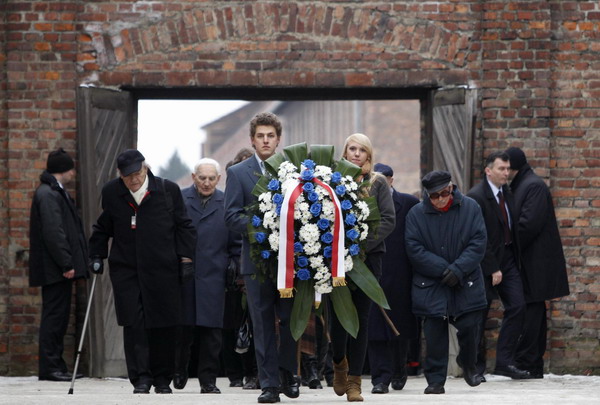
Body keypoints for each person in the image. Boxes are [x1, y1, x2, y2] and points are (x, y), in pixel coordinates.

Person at [88, 149, 196, 394]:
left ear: (145, 168)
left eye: (137, 173)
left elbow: (184, 226)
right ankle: (141, 379)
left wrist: (187, 258)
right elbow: (103, 227)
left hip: (163, 270)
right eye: (128, 177)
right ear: (120, 176)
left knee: (163, 325)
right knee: (134, 325)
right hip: (127, 270)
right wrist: (96, 254)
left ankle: (161, 379)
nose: (134, 180)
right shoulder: (112, 193)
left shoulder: (168, 191)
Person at [224, 112, 299, 404]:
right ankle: (268, 384)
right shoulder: (238, 173)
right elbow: (231, 216)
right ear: (252, 140)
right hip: (256, 262)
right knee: (263, 323)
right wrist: (262, 226)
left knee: (292, 319)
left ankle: (288, 375)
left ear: (278, 139)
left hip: (291, 262)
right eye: (260, 136)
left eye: (270, 136)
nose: (265, 140)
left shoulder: (292, 169)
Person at [405, 170, 487, 394]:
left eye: (445, 193)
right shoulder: (415, 215)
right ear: (427, 195)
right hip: (432, 283)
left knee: (470, 327)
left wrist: (458, 269)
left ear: (452, 187)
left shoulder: (471, 207)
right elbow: (414, 248)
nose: (441, 199)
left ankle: (469, 365)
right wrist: (444, 270)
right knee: (434, 334)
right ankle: (435, 380)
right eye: (435, 195)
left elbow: (478, 242)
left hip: (465, 280)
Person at [330, 134, 396, 402]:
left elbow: (389, 219)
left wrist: (362, 245)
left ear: (369, 155)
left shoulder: (377, 183)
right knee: (337, 320)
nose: (357, 154)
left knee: (361, 320)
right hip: (335, 260)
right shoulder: (332, 180)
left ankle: (355, 382)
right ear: (345, 152)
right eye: (352, 149)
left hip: (368, 261)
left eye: (362, 150)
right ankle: (339, 364)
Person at [173, 158, 242, 393]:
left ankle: (208, 381)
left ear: (218, 179)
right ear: (193, 178)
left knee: (212, 333)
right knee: (184, 329)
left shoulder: (226, 203)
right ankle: (179, 368)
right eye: (202, 178)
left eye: (211, 178)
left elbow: (236, 243)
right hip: (185, 274)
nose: (206, 182)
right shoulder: (180, 200)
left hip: (214, 276)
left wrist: (234, 265)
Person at [505, 147, 570, 378]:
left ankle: (528, 363)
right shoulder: (523, 184)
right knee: (532, 312)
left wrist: (503, 239)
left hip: (535, 264)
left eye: (506, 168)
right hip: (531, 263)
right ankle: (529, 363)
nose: (504, 172)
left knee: (531, 313)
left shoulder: (532, 186)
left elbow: (527, 226)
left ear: (514, 168)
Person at [467, 152, 531, 380]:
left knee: (517, 306)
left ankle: (504, 362)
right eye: (501, 169)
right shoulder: (476, 197)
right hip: (484, 263)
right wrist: (493, 267)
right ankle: (474, 366)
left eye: (507, 169)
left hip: (509, 259)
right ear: (488, 171)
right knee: (478, 314)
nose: (506, 173)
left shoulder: (507, 193)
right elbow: (477, 237)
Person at [28, 148, 88, 382]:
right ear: (64, 169)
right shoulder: (48, 194)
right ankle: (50, 368)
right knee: (54, 318)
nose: (74, 172)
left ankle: (57, 366)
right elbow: (54, 233)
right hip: (55, 269)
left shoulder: (53, 191)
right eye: (71, 168)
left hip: (56, 269)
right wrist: (66, 263)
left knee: (59, 317)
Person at [367, 163, 419, 394]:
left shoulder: (408, 203)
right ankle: (380, 377)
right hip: (373, 271)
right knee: (376, 326)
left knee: (400, 325)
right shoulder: (365, 205)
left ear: (391, 180)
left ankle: (400, 368)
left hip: (400, 274)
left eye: (384, 180)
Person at [222, 149, 259, 390]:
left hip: (260, 261)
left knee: (257, 323)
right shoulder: (233, 191)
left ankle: (256, 372)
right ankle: (242, 372)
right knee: (240, 323)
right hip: (237, 269)